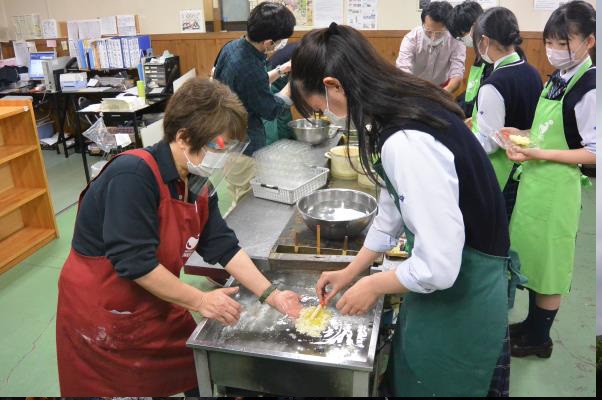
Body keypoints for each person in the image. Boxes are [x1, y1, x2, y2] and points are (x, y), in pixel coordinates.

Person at [291, 23, 518, 397]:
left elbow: (438, 267)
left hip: (466, 296)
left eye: (319, 108)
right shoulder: (398, 108)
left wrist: (373, 285)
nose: (325, 116)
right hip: (448, 289)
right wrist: (353, 270)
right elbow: (391, 206)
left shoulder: (407, 140)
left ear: (334, 86)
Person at [56, 78, 302, 396]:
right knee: (114, 386)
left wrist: (272, 295)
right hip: (105, 311)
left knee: (196, 369)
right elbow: (135, 262)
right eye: (218, 147)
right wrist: (200, 300)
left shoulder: (195, 180)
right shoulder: (132, 176)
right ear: (184, 138)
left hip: (156, 298)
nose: (222, 157)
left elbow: (223, 245)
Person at [503, 1, 596, 358]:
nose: (555, 50)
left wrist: (538, 153)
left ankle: (540, 339)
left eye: (564, 42)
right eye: (551, 42)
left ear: (589, 41)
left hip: (557, 188)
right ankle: (529, 326)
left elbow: (593, 153)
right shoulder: (560, 77)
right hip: (536, 184)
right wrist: (521, 133)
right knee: (534, 260)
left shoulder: (589, 87)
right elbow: (550, 129)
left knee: (552, 265)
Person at [213, 2, 296, 205]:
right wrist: (292, 88)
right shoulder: (248, 66)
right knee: (246, 199)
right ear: (268, 42)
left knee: (237, 188)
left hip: (226, 133)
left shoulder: (233, 46)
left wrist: (280, 70)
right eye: (280, 41)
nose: (282, 44)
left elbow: (249, 86)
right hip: (242, 142)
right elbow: (270, 109)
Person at [471, 7, 543, 219]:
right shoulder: (531, 71)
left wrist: (461, 138)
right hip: (529, 166)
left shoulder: (494, 84)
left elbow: (490, 143)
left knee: (498, 232)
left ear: (484, 40)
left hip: (501, 173)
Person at [396, 1, 466, 93]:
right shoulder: (412, 38)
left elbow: (457, 74)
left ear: (448, 27)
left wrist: (444, 93)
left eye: (439, 33)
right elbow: (403, 69)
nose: (433, 37)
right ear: (423, 23)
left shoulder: (456, 41)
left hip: (443, 88)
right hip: (413, 85)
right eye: (428, 31)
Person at [446, 1, 492, 116]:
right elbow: (472, 92)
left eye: (462, 34)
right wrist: (453, 102)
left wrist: (453, 108)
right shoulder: (480, 55)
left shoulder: (492, 58)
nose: (462, 39)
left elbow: (481, 100)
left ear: (475, 26)